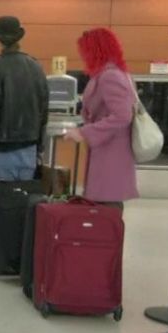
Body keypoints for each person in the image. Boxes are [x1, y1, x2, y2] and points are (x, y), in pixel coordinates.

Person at [0, 16, 48, 258]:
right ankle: (22, 250)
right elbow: (44, 108)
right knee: (23, 202)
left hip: (0, 149)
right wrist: (40, 146)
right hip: (28, 146)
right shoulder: (35, 66)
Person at [63, 28, 138, 211]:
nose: (82, 56)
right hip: (109, 151)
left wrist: (84, 132)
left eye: (84, 51)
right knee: (105, 208)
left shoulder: (110, 76)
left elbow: (122, 116)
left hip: (110, 154)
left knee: (106, 208)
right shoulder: (111, 73)